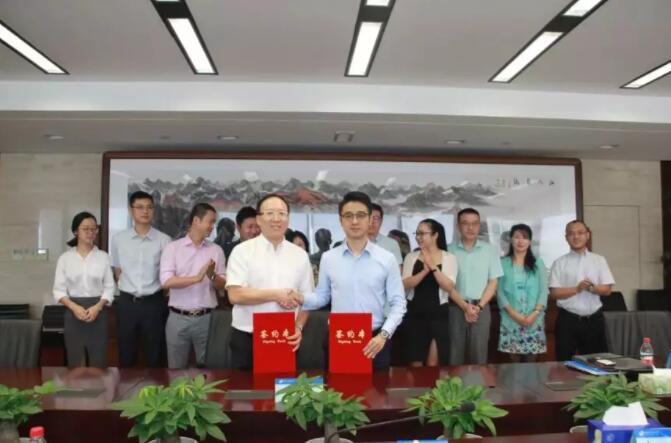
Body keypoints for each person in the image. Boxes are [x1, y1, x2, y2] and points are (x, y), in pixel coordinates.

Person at [298, 191, 407, 369]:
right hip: (340, 338)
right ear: (341, 220)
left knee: (378, 388)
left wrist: (383, 335)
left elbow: (399, 303)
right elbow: (322, 297)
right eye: (348, 216)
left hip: (375, 341)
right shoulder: (329, 258)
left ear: (370, 219)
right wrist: (300, 298)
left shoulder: (387, 259)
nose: (354, 221)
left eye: (361, 215)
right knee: (337, 387)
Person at [226, 194, 313, 370]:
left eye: (282, 213)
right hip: (247, 338)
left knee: (284, 387)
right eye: (270, 213)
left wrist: (298, 327)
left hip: (286, 337)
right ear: (259, 219)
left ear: (288, 218)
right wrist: (277, 295)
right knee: (245, 387)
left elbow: (308, 299)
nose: (276, 219)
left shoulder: (300, 255)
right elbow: (235, 295)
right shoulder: (242, 252)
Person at [159, 203, 226, 369]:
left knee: (209, 370)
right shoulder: (173, 248)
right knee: (176, 369)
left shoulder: (216, 250)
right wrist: (197, 278)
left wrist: (211, 275)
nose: (212, 226)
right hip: (178, 317)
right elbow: (166, 281)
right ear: (196, 220)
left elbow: (223, 285)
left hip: (207, 318)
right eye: (210, 222)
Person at [110, 191, 172, 367]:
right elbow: (117, 271)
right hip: (127, 304)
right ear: (131, 211)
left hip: (154, 304)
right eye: (140, 207)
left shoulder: (164, 240)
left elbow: (167, 275)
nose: (145, 211)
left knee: (155, 354)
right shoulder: (118, 239)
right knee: (126, 354)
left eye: (149, 207)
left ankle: (156, 386)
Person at [53, 212, 115, 368]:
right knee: (76, 361)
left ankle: (99, 384)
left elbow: (109, 287)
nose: (90, 232)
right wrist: (74, 307)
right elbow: (59, 290)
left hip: (98, 311)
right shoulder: (65, 258)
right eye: (85, 229)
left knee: (98, 361)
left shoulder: (103, 257)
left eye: (94, 229)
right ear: (76, 231)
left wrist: (97, 307)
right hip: (73, 311)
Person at [549, 220, 614, 361]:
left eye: (580, 233)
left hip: (594, 320)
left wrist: (592, 288)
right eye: (571, 234)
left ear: (587, 235)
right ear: (566, 237)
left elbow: (607, 290)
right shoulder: (559, 263)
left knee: (598, 362)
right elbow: (554, 293)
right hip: (568, 320)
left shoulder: (599, 260)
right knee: (564, 362)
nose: (576, 237)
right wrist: (577, 289)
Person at [447, 208, 503, 365]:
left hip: (481, 309)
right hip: (455, 308)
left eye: (475, 223)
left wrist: (478, 307)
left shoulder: (490, 250)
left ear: (479, 226)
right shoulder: (448, 250)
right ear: (458, 226)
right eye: (465, 223)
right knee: (454, 356)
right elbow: (446, 284)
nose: (470, 228)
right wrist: (464, 306)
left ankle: (477, 383)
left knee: (479, 356)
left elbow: (493, 282)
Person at [401, 219, 457, 366]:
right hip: (415, 314)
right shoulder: (411, 257)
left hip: (439, 315)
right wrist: (424, 272)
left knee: (433, 364)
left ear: (435, 235)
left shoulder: (449, 257)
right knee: (415, 363)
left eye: (422, 233)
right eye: (417, 233)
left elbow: (449, 286)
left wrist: (432, 266)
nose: (418, 237)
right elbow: (405, 283)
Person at [497, 224, 548, 362]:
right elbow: (499, 291)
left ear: (530, 241)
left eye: (525, 237)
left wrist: (535, 313)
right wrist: (514, 315)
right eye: (517, 237)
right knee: (513, 364)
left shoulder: (538, 263)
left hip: (534, 319)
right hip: (511, 319)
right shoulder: (502, 263)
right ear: (511, 240)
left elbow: (544, 291)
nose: (520, 241)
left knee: (531, 363)